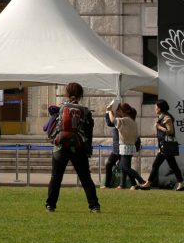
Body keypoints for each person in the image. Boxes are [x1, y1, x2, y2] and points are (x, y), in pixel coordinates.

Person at [45, 82, 100, 213]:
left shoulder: (61, 108)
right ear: (81, 95)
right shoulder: (85, 111)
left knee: (56, 177)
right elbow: (89, 132)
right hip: (78, 147)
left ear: (67, 94)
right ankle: (94, 205)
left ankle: (50, 205)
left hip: (60, 146)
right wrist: (88, 148)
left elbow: (54, 126)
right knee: (85, 177)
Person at [139, 99, 184, 190]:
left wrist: (159, 127)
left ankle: (148, 183)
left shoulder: (166, 118)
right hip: (164, 146)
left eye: (156, 107)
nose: (155, 109)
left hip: (166, 146)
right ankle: (181, 184)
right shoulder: (162, 117)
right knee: (173, 166)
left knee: (156, 165)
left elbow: (170, 131)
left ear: (160, 108)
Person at [107, 103, 146, 189]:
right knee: (124, 167)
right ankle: (132, 184)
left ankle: (142, 181)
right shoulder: (132, 121)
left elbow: (113, 120)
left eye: (119, 110)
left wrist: (109, 110)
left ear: (124, 111)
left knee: (124, 167)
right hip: (129, 146)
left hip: (126, 147)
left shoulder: (125, 120)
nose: (117, 112)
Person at [102, 103, 120, 188]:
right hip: (116, 149)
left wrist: (108, 111)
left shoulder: (121, 120)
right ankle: (107, 185)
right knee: (109, 165)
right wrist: (107, 111)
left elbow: (110, 122)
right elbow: (109, 122)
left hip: (121, 148)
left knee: (125, 168)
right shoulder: (118, 120)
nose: (114, 112)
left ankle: (135, 183)